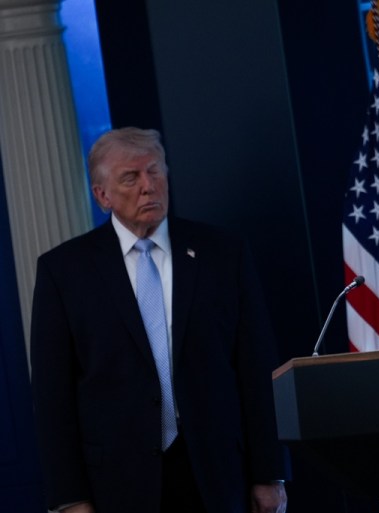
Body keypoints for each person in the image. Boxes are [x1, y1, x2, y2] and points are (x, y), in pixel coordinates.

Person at [30, 127, 288, 513]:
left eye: (154, 172)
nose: (148, 187)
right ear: (102, 196)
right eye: (130, 178)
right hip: (117, 483)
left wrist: (269, 473)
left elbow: (257, 370)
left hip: (218, 473)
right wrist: (69, 499)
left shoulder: (222, 253)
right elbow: (53, 397)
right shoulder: (64, 271)